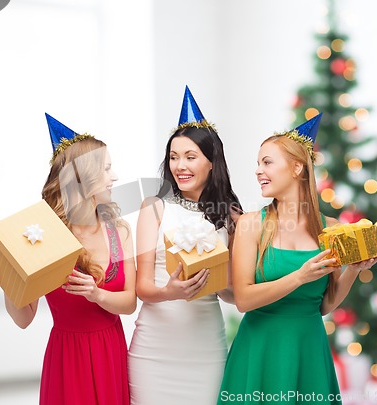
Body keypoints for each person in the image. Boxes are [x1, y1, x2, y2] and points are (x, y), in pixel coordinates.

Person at [0, 113, 136, 405]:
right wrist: (6, 283)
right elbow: (24, 319)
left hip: (110, 351)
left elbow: (129, 303)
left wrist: (96, 294)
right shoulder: (45, 236)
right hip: (67, 357)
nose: (115, 178)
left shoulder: (120, 230)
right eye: (106, 170)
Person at [217, 113, 377, 404]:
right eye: (258, 163)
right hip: (260, 350)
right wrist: (300, 276)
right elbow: (243, 299)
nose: (258, 171)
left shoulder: (329, 228)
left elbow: (324, 304)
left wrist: (353, 270)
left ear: (296, 168)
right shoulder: (251, 224)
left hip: (309, 350)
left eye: (267, 162)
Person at [127, 86, 243, 405]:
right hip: (155, 349)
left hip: (205, 347)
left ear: (211, 162)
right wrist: (171, 291)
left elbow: (233, 293)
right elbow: (143, 287)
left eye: (190, 157)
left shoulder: (232, 216)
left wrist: (220, 285)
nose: (180, 166)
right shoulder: (154, 206)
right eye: (174, 157)